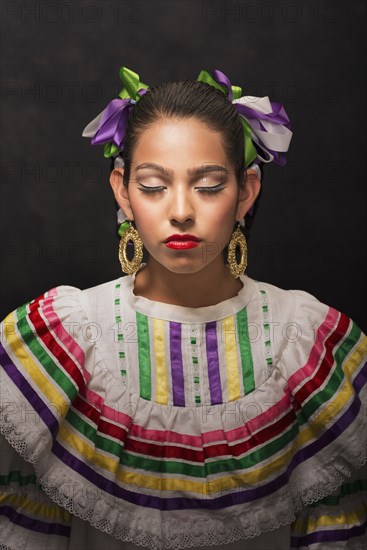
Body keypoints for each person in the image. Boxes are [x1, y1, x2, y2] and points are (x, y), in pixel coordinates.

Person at [0, 66, 366, 550]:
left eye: (209, 185)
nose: (180, 211)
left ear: (246, 192)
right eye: (152, 186)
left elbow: (334, 530)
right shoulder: (62, 338)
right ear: (122, 191)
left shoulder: (308, 341)